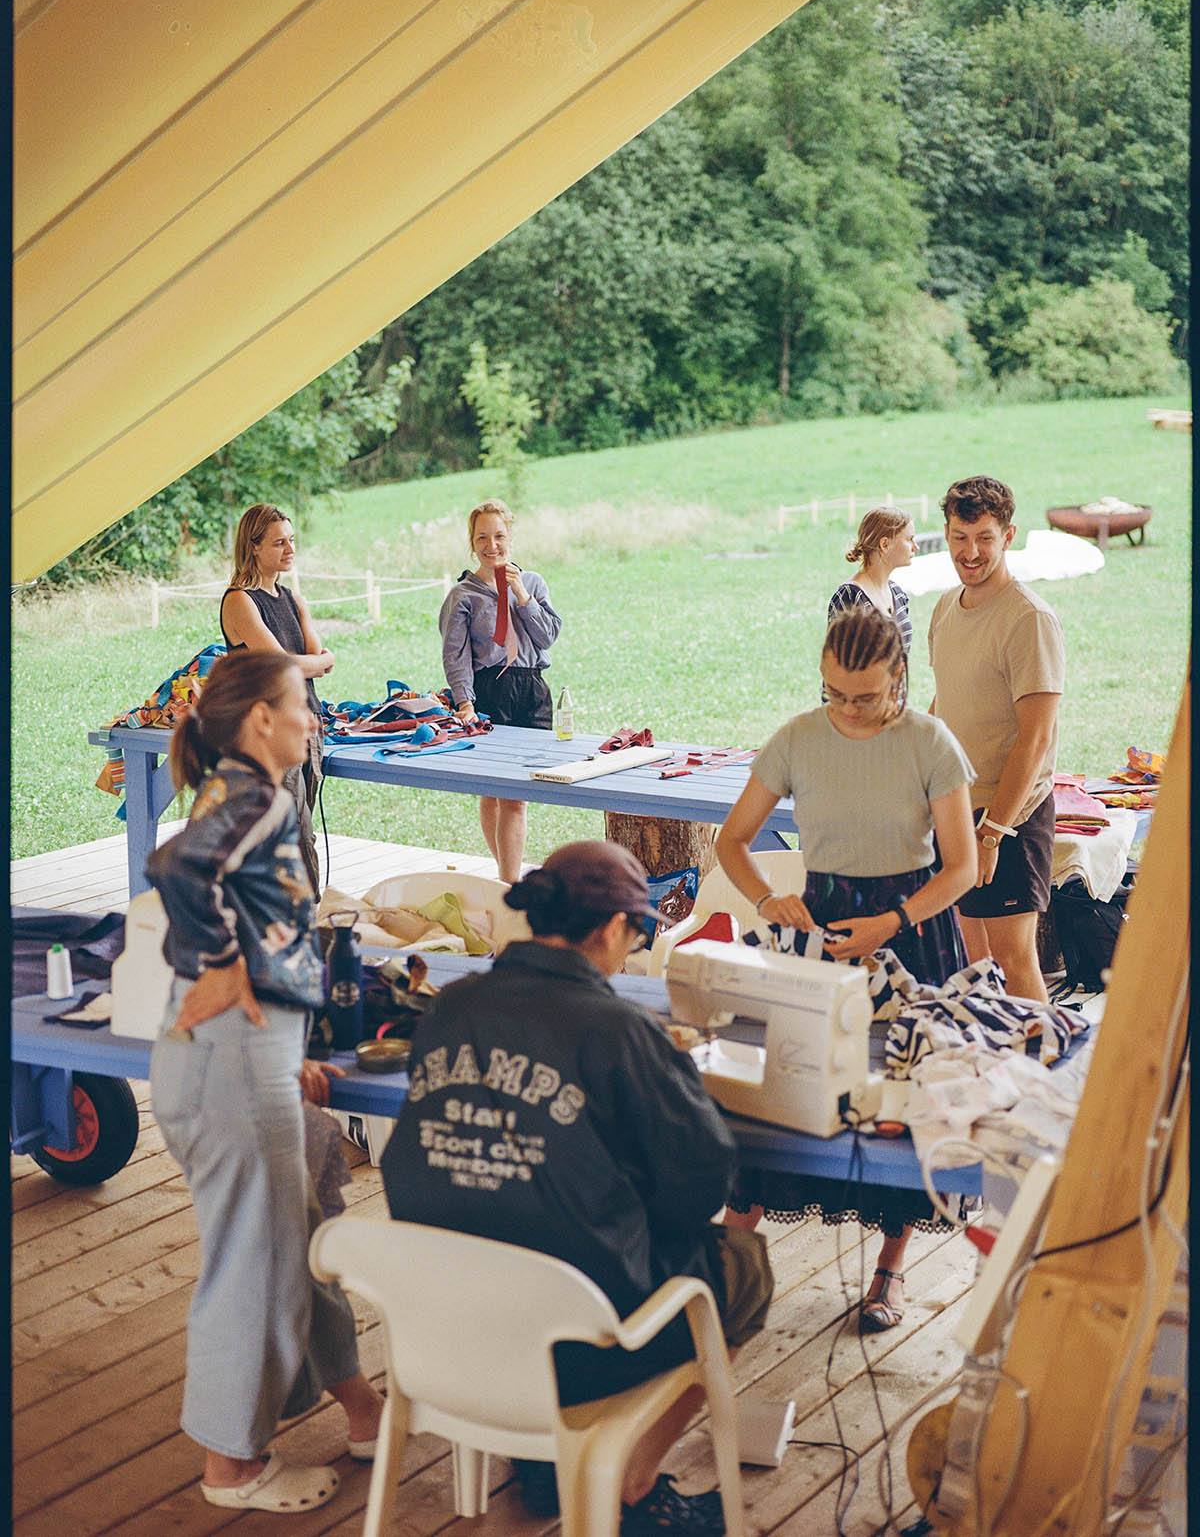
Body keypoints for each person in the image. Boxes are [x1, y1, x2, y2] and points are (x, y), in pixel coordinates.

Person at [380, 840, 774, 1536]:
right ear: (615, 928)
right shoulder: (618, 1029)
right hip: (579, 1336)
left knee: (515, 1215)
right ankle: (630, 1476)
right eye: (639, 930)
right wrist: (673, 1074)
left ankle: (537, 1452)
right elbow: (702, 1183)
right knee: (742, 1267)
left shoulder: (450, 1006)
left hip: (446, 1323)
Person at [147, 651, 383, 1513]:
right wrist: (219, 963)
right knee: (256, 1262)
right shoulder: (258, 793)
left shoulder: (235, 785)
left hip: (244, 1056)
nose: (312, 719)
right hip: (231, 1059)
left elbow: (252, 914)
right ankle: (232, 1466)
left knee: (303, 1218)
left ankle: (356, 1403)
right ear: (260, 721)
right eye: (301, 706)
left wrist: (286, 1040)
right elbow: (178, 867)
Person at [715, 607, 977, 1331]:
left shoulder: (931, 741)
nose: (848, 710)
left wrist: (894, 922)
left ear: (899, 676)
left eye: (865, 696)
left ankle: (889, 1269)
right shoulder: (799, 736)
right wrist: (770, 896)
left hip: (911, 926)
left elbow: (963, 867)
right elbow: (732, 840)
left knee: (897, 1102)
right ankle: (730, 1255)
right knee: (788, 1085)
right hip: (823, 924)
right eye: (834, 693)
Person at [929, 475, 1066, 1002]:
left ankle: (1039, 1067)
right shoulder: (946, 606)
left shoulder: (1028, 618)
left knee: (1013, 959)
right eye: (961, 537)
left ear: (1008, 536)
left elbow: (1036, 737)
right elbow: (946, 704)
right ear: (946, 534)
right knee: (973, 959)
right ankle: (990, 1064)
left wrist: (993, 834)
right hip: (956, 809)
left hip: (1008, 819)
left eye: (984, 537)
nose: (972, 552)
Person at [438, 499, 562, 883]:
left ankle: (506, 876)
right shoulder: (463, 595)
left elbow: (547, 637)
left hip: (532, 691)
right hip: (490, 691)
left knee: (517, 792)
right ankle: (510, 881)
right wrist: (464, 702)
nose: (492, 545)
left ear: (511, 536)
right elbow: (455, 655)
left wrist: (522, 596)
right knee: (496, 792)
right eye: (482, 538)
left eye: (499, 536)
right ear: (472, 543)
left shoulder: (534, 583)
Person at [221, 503, 335, 895]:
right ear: (253, 547)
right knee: (290, 830)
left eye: (291, 541)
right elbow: (282, 665)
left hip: (307, 723)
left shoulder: (293, 599)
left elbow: (321, 659)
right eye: (278, 543)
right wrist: (314, 662)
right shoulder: (239, 601)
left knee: (303, 828)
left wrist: (313, 662)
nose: (290, 550)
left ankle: (303, 917)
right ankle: (304, 916)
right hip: (269, 731)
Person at [827, 505, 917, 660]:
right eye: (909, 539)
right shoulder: (849, 597)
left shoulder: (898, 593)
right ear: (885, 544)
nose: (916, 547)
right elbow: (835, 666)